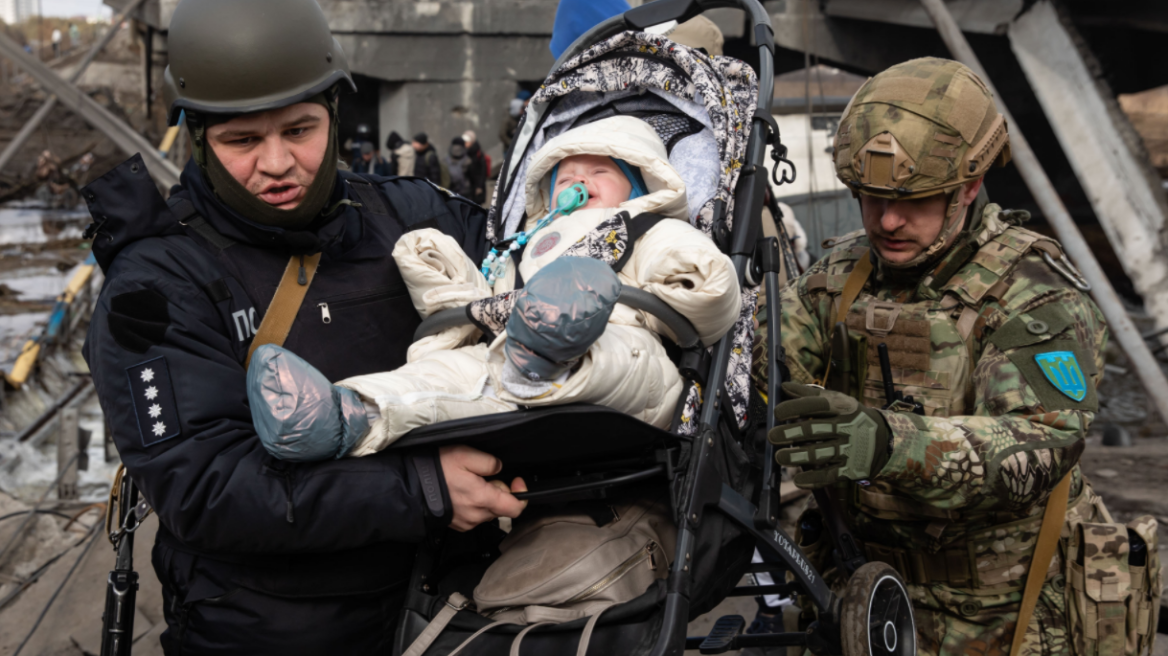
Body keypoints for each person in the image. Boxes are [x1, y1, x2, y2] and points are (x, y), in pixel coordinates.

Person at [80, 0, 526, 652]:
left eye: (300, 130)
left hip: (459, 607)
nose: (278, 162)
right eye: (242, 140)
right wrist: (418, 488)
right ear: (197, 138)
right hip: (271, 627)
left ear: (334, 117)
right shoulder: (155, 286)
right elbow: (205, 488)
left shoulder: (414, 216)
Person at [769, 58, 1125, 655]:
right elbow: (765, 366)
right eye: (872, 198)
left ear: (968, 186)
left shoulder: (1034, 292)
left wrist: (888, 443)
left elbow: (1042, 445)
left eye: (915, 201)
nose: (888, 220)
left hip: (1004, 616)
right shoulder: (839, 276)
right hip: (865, 598)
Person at [247, 115, 741, 460]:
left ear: (637, 188)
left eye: (599, 172)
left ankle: (546, 351)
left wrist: (694, 270)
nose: (579, 180)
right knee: (444, 375)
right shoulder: (529, 243)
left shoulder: (645, 229)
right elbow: (489, 297)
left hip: (619, 351)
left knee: (617, 350)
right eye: (566, 174)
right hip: (506, 351)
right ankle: (342, 414)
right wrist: (445, 280)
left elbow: (707, 291)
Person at [461, 130, 489, 204]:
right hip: (468, 187)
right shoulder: (463, 152)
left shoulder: (478, 154)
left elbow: (483, 171)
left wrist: (479, 187)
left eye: (467, 141)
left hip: (477, 186)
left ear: (472, 141)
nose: (465, 143)